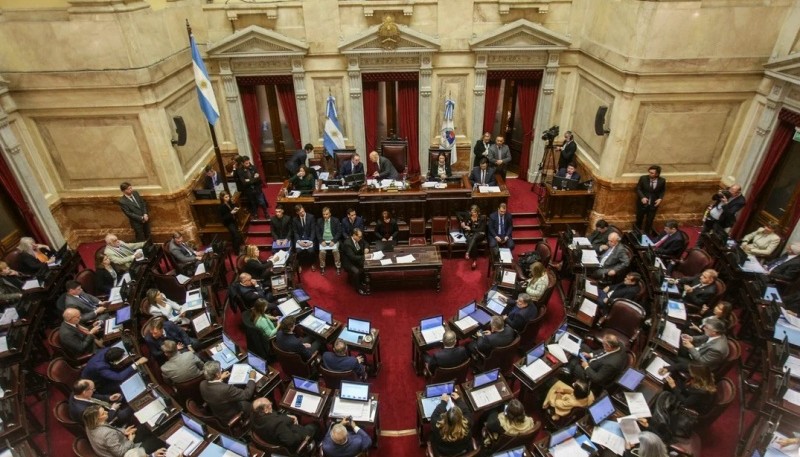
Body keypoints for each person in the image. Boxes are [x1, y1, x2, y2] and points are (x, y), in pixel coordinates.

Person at [83, 405, 167, 457]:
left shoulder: (89, 423)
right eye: (103, 413)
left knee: (144, 427)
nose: (106, 412)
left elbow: (109, 427)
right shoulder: (107, 434)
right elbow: (121, 453)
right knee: (158, 439)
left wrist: (123, 431)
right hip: (128, 453)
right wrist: (131, 440)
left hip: (120, 440)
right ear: (98, 418)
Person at [251, 397, 318, 450]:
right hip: (291, 444)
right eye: (270, 404)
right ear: (265, 410)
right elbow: (292, 441)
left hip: (271, 436)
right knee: (314, 426)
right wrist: (300, 435)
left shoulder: (254, 416)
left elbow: (274, 415)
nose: (271, 405)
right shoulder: (277, 424)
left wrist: (287, 418)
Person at [81, 346, 148, 396]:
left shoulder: (107, 350)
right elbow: (119, 377)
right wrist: (137, 363)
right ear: (113, 361)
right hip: (100, 385)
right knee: (128, 378)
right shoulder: (101, 367)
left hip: (99, 374)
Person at [430, 392, 473, 456]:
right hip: (462, 448)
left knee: (431, 435)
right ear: (461, 417)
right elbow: (466, 411)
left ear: (445, 417)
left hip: (443, 451)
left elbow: (434, 416)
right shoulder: (467, 422)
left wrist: (443, 402)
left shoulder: (438, 426)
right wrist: (458, 399)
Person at [236, 156, 269, 221]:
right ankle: (255, 215)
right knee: (253, 203)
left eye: (248, 162)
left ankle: (266, 213)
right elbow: (244, 182)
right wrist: (253, 179)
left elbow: (258, 179)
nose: (248, 164)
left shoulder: (253, 167)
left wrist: (249, 180)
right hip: (249, 190)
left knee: (262, 202)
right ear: (242, 163)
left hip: (257, 188)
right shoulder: (240, 171)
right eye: (246, 163)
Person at [635, 165, 666, 234]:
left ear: (657, 174)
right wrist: (642, 197)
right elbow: (638, 188)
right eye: (649, 172)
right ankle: (636, 233)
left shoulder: (662, 181)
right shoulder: (643, 178)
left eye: (652, 173)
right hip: (642, 204)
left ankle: (646, 234)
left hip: (653, 204)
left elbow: (662, 191)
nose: (650, 174)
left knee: (650, 220)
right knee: (639, 219)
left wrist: (660, 198)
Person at [316, 206, 342, 275]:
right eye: (324, 214)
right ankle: (322, 267)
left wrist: (334, 240)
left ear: (330, 214)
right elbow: (317, 233)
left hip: (333, 240)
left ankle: (338, 266)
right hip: (324, 241)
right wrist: (321, 241)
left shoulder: (335, 220)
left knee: (335, 250)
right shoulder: (319, 221)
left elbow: (339, 232)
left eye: (326, 214)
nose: (325, 216)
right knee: (322, 252)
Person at [341, 228, 368, 295]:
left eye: (361, 236)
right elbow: (352, 257)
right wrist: (364, 257)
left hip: (357, 259)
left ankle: (363, 280)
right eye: (359, 237)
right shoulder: (347, 244)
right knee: (357, 271)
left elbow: (366, 243)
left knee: (367, 266)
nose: (361, 238)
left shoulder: (358, 239)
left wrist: (366, 248)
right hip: (349, 262)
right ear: (354, 235)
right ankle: (358, 288)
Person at [460, 204, 487, 270]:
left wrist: (471, 229)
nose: (473, 214)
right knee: (473, 241)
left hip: (480, 234)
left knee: (474, 236)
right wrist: (462, 223)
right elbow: (458, 214)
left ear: (478, 212)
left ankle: (467, 252)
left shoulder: (482, 218)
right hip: (470, 234)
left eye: (474, 212)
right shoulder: (468, 217)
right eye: (472, 212)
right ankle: (474, 261)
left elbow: (481, 230)